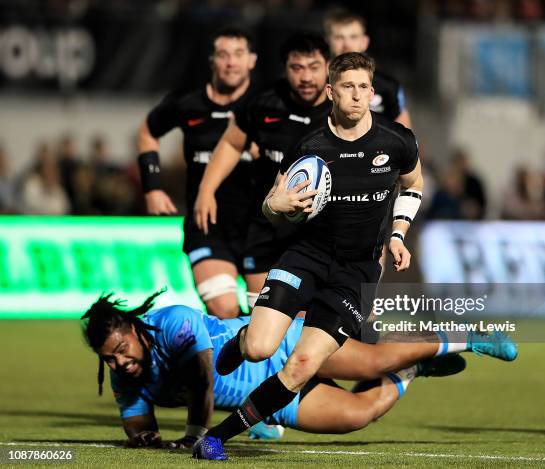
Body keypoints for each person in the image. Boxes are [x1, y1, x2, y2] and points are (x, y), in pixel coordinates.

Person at [195, 52, 516, 460]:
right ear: (331, 92)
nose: (359, 95)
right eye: (348, 86)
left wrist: (398, 234)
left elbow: (414, 186)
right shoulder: (310, 145)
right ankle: (241, 341)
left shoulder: (396, 140)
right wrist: (279, 205)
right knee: (260, 349)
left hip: (357, 272)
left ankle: (217, 437)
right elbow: (271, 205)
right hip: (304, 258)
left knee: (301, 367)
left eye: (365, 87)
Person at [81, 291, 516, 452]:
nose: (119, 362)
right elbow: (136, 421)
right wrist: (143, 436)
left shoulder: (173, 322)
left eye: (120, 349)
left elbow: (202, 381)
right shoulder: (125, 374)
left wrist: (196, 435)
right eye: (109, 359)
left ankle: (468, 334)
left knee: (372, 360)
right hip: (271, 402)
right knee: (356, 415)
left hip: (283, 346)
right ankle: (418, 365)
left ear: (132, 328)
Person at [194, 33, 332, 308]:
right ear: (285, 68)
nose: (305, 77)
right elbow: (232, 144)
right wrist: (206, 190)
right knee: (261, 317)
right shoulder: (264, 103)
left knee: (303, 329)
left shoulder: (340, 110)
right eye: (297, 68)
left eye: (314, 67)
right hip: (266, 229)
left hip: (318, 234)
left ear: (328, 66)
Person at [137, 27, 257, 319]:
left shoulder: (268, 104)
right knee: (224, 309)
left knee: (268, 320)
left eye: (238, 55)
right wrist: (152, 187)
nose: (231, 63)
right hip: (207, 227)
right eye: (224, 55)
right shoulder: (187, 102)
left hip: (259, 228)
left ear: (252, 60)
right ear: (212, 61)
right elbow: (148, 132)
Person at [323, 7, 412, 128]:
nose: (347, 45)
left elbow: (405, 138)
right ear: (327, 41)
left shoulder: (388, 87)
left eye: (353, 37)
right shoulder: (313, 84)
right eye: (339, 37)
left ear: (364, 42)